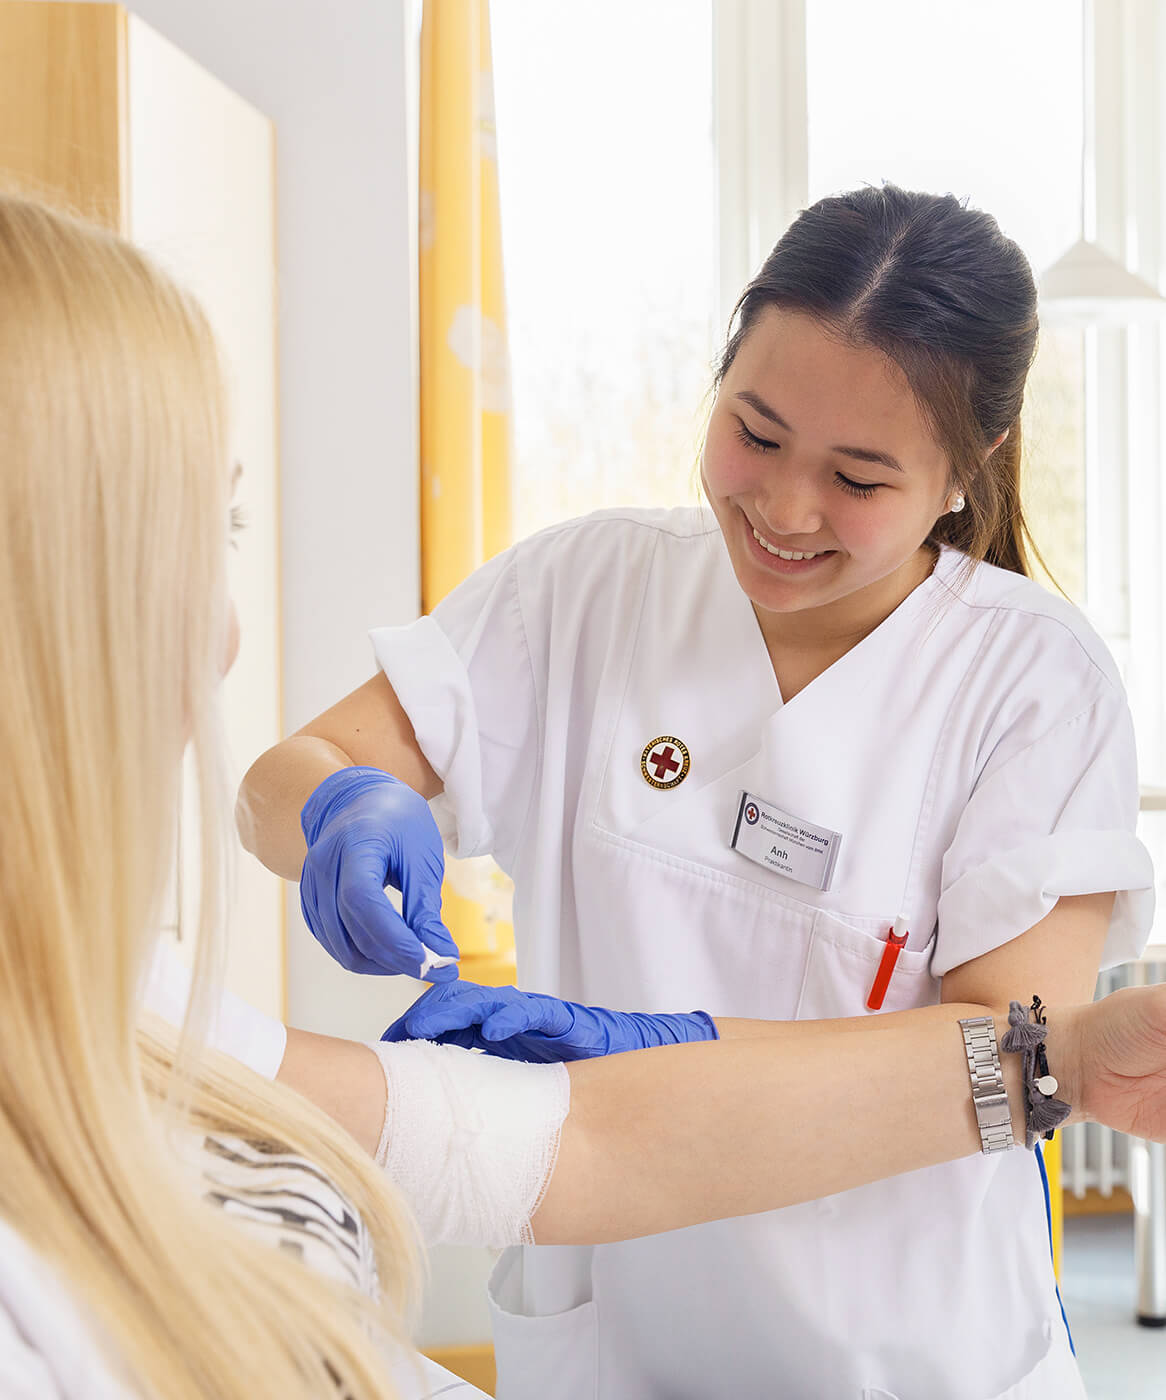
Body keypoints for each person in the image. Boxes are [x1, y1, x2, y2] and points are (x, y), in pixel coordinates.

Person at [238, 184, 1160, 1399]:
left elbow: (1010, 1062)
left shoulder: (1028, 679)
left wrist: (668, 1054)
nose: (783, 507)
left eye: (857, 478)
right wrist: (339, 806)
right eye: (755, 434)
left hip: (899, 1354)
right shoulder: (588, 589)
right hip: (616, 1333)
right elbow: (281, 776)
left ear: (966, 468)